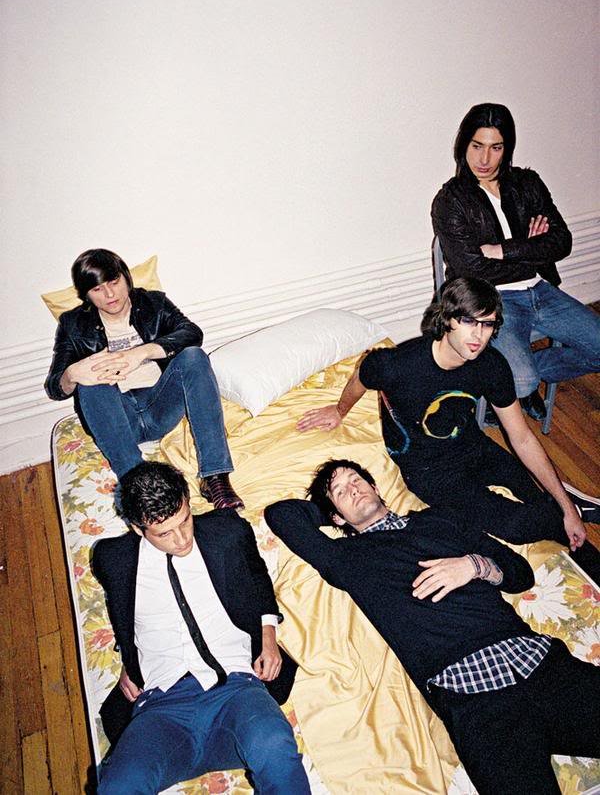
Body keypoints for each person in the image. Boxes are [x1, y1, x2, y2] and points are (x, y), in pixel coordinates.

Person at [265, 460, 600, 795]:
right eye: (340, 492)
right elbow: (281, 515)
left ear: (376, 487)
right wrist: (336, 510)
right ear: (336, 518)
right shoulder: (346, 558)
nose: (353, 488)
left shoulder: (442, 520)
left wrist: (473, 566)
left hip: (540, 664)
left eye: (357, 480)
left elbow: (520, 574)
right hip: (477, 702)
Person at [296, 277, 600, 580]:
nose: (478, 335)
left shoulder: (491, 365)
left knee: (548, 504)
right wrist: (339, 410)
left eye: (488, 324)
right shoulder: (397, 365)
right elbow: (363, 374)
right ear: (447, 319)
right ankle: (569, 510)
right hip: (430, 474)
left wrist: (565, 507)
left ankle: (575, 519)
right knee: (517, 527)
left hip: (474, 447)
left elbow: (521, 437)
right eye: (468, 321)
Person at [92, 461, 309, 794]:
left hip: (237, 691)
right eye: (164, 533)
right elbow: (121, 611)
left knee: (275, 746)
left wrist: (268, 633)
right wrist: (129, 658)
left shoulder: (228, 530)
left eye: (185, 520)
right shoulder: (112, 558)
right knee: (117, 786)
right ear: (137, 528)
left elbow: (258, 577)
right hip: (162, 709)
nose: (181, 540)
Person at [431, 102, 600, 419]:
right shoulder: (450, 200)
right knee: (523, 382)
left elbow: (562, 242)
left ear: (506, 149)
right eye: (477, 146)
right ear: (463, 146)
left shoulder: (528, 183)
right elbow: (471, 269)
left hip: (541, 290)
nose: (484, 159)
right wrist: (533, 248)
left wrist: (502, 250)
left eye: (495, 148)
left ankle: (492, 377)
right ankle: (515, 381)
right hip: (492, 300)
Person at [45, 248, 242, 509]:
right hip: (116, 417)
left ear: (126, 277)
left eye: (114, 282)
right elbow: (54, 387)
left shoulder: (153, 303)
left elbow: (192, 333)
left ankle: (215, 477)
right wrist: (72, 374)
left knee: (194, 356)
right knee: (90, 383)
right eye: (97, 289)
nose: (110, 294)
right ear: (87, 295)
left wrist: (141, 353)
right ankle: (137, 483)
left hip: (160, 405)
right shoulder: (73, 323)